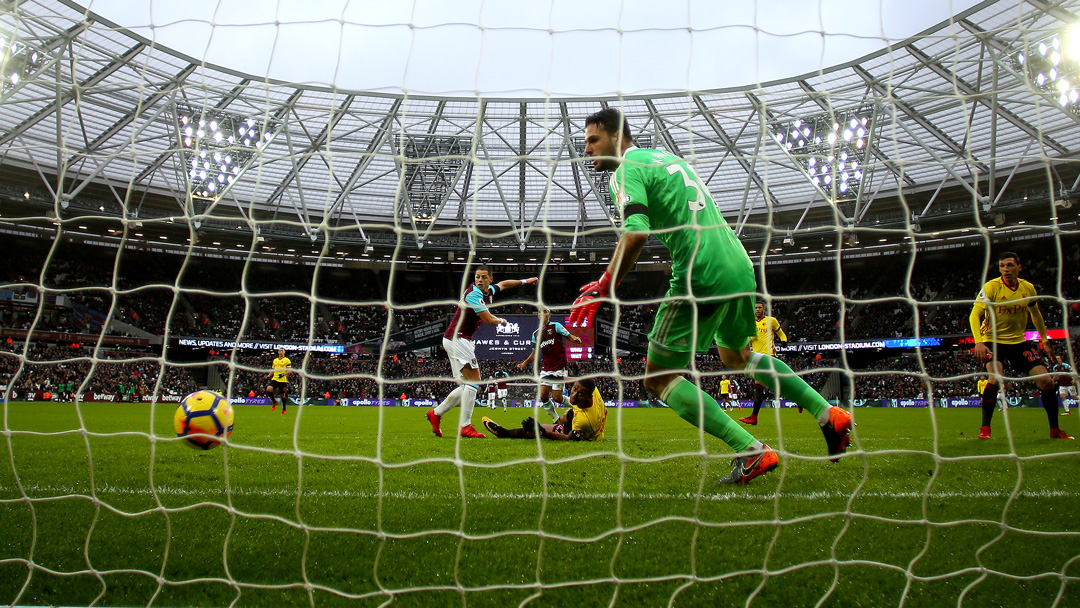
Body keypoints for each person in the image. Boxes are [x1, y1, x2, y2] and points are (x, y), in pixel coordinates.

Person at [568, 108, 852, 484]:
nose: (587, 150)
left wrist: (605, 284)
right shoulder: (668, 158)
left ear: (616, 136)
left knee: (658, 380)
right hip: (737, 263)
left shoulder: (626, 170)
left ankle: (751, 451)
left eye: (593, 140)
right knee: (737, 356)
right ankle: (827, 413)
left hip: (699, 272)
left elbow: (635, 234)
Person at [969, 252, 1072, 439]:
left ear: (1019, 268)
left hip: (1019, 341)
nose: (1006, 269)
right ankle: (985, 429)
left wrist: (1044, 340)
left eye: (1010, 265)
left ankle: (1055, 430)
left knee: (1047, 382)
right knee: (995, 378)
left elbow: (1036, 314)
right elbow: (974, 315)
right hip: (993, 340)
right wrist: (979, 342)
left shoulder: (1028, 288)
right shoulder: (991, 287)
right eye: (1002, 266)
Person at [425, 267, 538, 438]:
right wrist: (501, 320)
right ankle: (465, 426)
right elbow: (489, 320)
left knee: (466, 385)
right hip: (458, 338)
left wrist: (525, 281)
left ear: (490, 279)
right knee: (474, 381)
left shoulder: (489, 290)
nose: (479, 280)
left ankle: (436, 413)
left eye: (483, 277)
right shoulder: (474, 294)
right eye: (477, 277)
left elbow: (504, 285)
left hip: (459, 339)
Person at [482, 377, 607, 441]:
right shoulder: (592, 389)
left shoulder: (583, 421)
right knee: (567, 414)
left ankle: (504, 433)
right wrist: (557, 379)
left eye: (581, 394)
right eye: (574, 389)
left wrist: (542, 431)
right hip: (587, 420)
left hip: (585, 434)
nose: (574, 395)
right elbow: (577, 382)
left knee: (539, 430)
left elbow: (569, 438)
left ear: (588, 397)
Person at [517, 307, 583, 421]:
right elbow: (534, 353)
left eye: (545, 311)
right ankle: (556, 422)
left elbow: (568, 335)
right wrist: (524, 363)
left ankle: (580, 407)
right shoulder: (536, 334)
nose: (543, 313)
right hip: (546, 368)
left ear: (549, 315)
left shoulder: (555, 326)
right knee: (543, 396)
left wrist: (574, 339)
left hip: (558, 366)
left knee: (557, 398)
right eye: (540, 312)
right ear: (538, 315)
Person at [740, 301, 789, 425]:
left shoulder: (771, 321)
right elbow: (749, 341)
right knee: (767, 385)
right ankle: (754, 416)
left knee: (760, 385)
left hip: (769, 356)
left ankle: (754, 416)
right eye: (756, 307)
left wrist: (783, 340)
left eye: (760, 307)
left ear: (764, 309)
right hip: (757, 357)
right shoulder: (750, 324)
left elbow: (780, 333)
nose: (757, 309)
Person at [267, 347, 292, 414]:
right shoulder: (275, 360)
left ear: (284, 352)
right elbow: (273, 370)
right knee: (269, 389)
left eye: (282, 351)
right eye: (280, 351)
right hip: (275, 378)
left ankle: (284, 408)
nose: (281, 352)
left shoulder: (287, 360)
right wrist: (268, 376)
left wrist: (283, 374)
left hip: (283, 380)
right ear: (278, 352)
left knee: (283, 396)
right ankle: (274, 402)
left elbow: (289, 370)